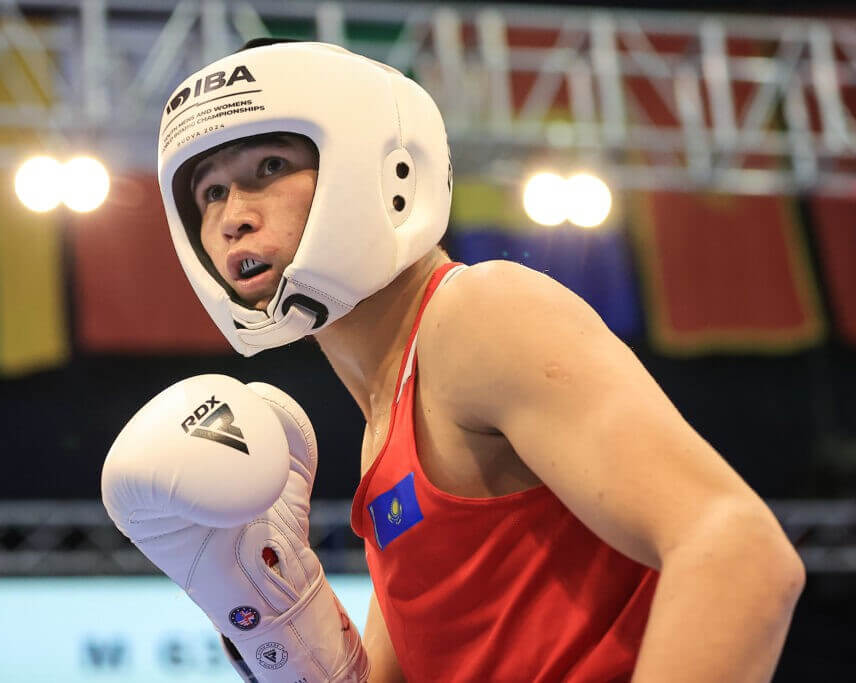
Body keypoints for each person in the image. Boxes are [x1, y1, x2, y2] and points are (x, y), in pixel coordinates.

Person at [103, 39, 804, 682]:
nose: (233, 216)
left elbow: (738, 552)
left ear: (370, 163)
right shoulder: (388, 425)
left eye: (270, 167)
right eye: (211, 192)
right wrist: (266, 609)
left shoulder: (477, 317)